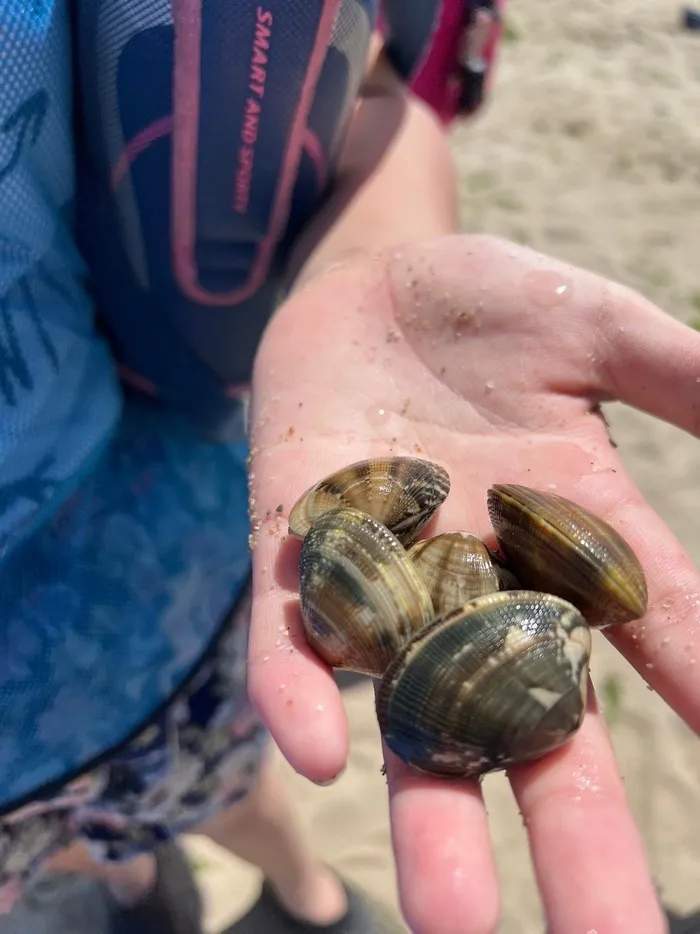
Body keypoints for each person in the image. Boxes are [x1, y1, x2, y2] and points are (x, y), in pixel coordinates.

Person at [0, 4, 698, 934]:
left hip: (165, 545)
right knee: (104, 817)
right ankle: (144, 880)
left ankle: (300, 896)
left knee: (206, 776)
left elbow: (350, 87)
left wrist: (376, 249)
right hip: (51, 706)